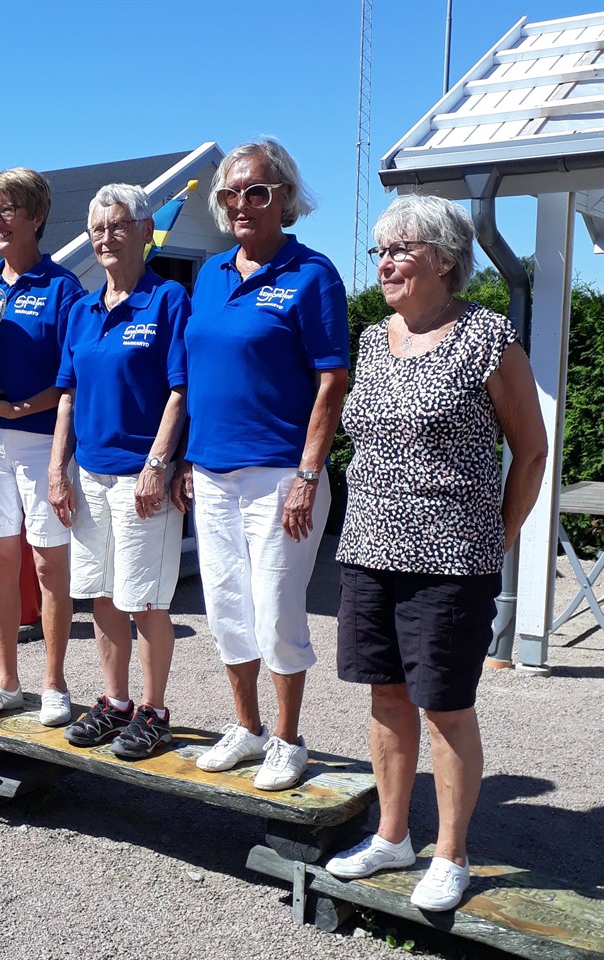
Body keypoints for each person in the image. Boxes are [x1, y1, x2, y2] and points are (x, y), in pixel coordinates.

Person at [324, 195, 547, 912]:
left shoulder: (485, 337)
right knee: (385, 695)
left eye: (401, 249)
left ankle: (451, 852)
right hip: (367, 549)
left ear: (445, 259)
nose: (384, 263)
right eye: (379, 251)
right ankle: (391, 836)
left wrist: (499, 536)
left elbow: (531, 450)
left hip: (451, 560)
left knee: (444, 706)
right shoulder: (371, 339)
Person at [173, 139, 349, 791]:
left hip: (280, 475)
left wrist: (307, 475)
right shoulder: (211, 275)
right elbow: (199, 374)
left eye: (257, 191)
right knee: (225, 606)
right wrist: (187, 458)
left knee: (275, 608)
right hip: (212, 471)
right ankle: (246, 728)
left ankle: (287, 738)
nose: (241, 203)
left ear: (285, 199)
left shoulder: (313, 274)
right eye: (230, 193)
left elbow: (331, 382)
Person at [49, 183, 190, 758]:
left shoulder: (168, 299)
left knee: (144, 600)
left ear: (144, 230)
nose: (106, 237)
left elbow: (180, 391)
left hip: (140, 477)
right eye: (97, 228)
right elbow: (67, 395)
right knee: (102, 594)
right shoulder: (81, 310)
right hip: (90, 475)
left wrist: (158, 464)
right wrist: (58, 468)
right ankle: (115, 702)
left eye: (118, 225)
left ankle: (155, 712)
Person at [0, 169, 84, 727]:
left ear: (36, 216)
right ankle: (5, 679)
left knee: (49, 563)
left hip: (40, 440)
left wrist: (23, 409)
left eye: (7, 210)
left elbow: (73, 380)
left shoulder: (63, 289)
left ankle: (54, 683)